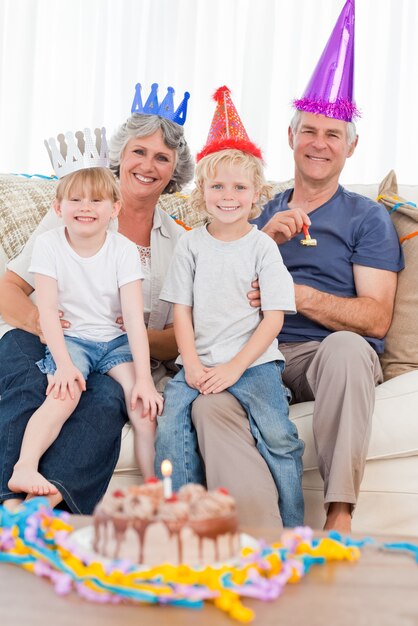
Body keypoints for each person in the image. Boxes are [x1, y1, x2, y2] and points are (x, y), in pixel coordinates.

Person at [191, 1, 404, 532]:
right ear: (290, 138)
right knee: (208, 406)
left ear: (351, 148)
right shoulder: (248, 204)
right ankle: (265, 537)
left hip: (324, 353)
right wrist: (260, 238)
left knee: (351, 349)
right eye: (309, 130)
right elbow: (210, 287)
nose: (319, 143)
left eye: (334, 135)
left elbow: (376, 321)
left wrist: (296, 294)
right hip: (252, 351)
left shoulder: (367, 218)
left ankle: (338, 517)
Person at [0, 82, 194, 513]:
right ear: (119, 157)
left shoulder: (181, 242)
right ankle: (7, 495)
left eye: (162, 157)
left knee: (108, 399)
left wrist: (135, 337)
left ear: (173, 170)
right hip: (49, 335)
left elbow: (181, 335)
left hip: (121, 351)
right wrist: (48, 328)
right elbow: (8, 290)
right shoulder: (75, 213)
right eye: (138, 151)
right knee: (31, 369)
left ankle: (50, 504)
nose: (148, 165)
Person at [155, 87, 305, 527]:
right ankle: (183, 524)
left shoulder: (262, 248)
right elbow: (181, 310)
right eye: (217, 186)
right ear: (201, 191)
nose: (228, 195)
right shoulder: (190, 246)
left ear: (257, 192)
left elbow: (273, 318)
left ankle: (294, 527)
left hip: (254, 365)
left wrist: (236, 367)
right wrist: (195, 365)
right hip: (198, 363)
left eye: (239, 187)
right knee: (170, 429)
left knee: (279, 436)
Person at [8, 159, 164, 499]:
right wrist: (64, 364)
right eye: (76, 200)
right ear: (58, 207)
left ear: (114, 208)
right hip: (73, 339)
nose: (85, 208)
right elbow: (47, 310)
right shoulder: (50, 244)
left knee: (141, 405)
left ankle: (155, 490)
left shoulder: (122, 250)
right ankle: (25, 467)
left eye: (96, 200)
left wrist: (144, 380)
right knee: (64, 395)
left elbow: (134, 319)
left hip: (114, 342)